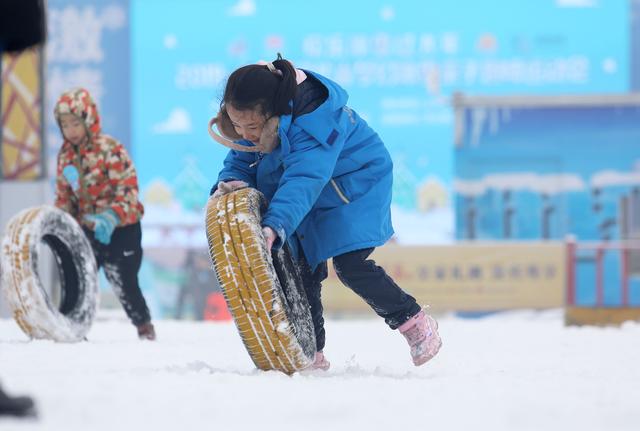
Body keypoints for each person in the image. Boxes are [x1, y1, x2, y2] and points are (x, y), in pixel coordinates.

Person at [209, 55, 442, 370]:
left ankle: (414, 323)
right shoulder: (252, 122)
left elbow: (304, 179)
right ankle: (312, 353)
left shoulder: (315, 123)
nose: (244, 133)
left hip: (355, 184)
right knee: (303, 268)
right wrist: (231, 182)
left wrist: (275, 224)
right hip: (311, 190)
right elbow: (243, 158)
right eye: (236, 125)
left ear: (273, 112)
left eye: (251, 126)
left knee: (349, 265)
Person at [54, 88, 156, 340]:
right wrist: (61, 221)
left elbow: (128, 189)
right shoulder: (65, 156)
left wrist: (111, 217)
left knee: (124, 281)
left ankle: (143, 326)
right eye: (65, 125)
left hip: (123, 227)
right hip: (89, 229)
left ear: (89, 120)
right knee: (77, 277)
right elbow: (65, 197)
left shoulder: (108, 149)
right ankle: (73, 328)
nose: (71, 131)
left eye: (76, 123)